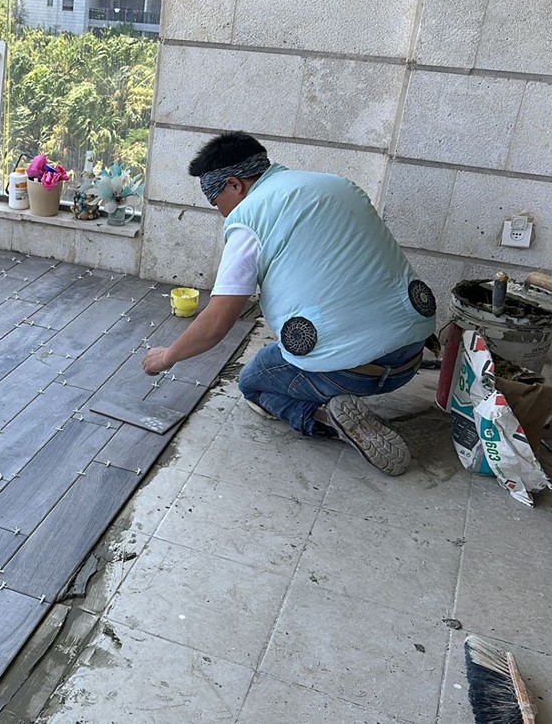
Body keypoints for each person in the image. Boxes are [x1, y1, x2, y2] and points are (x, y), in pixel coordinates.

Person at [142, 132, 435, 475]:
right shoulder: (337, 185)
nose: (219, 211)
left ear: (235, 184)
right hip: (411, 356)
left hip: (350, 373)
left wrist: (168, 356)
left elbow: (217, 322)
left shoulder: (248, 217)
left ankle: (325, 418)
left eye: (215, 199)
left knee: (253, 382)